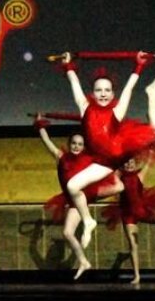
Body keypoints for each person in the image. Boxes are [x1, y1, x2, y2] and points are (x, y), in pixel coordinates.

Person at [59, 51, 155, 250]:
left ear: (112, 94)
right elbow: (74, 84)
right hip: (102, 162)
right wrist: (68, 66)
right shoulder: (85, 108)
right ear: (92, 93)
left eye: (107, 90)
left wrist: (139, 66)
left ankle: (151, 94)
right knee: (72, 186)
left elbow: (128, 89)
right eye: (99, 90)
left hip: (120, 151)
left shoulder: (117, 111)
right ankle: (88, 221)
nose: (103, 93)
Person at [35, 114, 123, 280]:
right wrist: (40, 125)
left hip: (88, 192)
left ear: (84, 146)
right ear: (69, 144)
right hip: (75, 200)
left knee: (119, 186)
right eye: (74, 143)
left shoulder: (89, 158)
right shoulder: (61, 157)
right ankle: (83, 262)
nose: (76, 146)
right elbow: (46, 141)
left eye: (80, 144)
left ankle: (89, 221)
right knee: (67, 233)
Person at [102, 149, 155, 285]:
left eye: (131, 162)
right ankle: (137, 275)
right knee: (133, 244)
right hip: (128, 214)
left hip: (142, 210)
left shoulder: (139, 176)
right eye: (126, 163)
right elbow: (111, 172)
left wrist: (151, 151)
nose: (129, 165)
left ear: (135, 163)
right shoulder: (119, 176)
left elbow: (148, 163)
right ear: (123, 165)